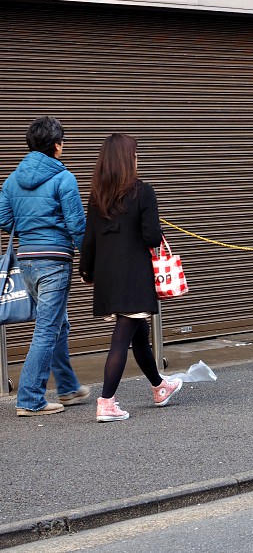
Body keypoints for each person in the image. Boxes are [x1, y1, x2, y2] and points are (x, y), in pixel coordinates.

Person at [79, 134, 182, 422]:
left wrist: (86, 270)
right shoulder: (143, 192)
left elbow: (90, 239)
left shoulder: (98, 196)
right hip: (134, 277)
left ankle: (160, 387)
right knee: (123, 335)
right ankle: (106, 401)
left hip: (109, 277)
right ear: (128, 159)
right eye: (135, 154)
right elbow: (151, 236)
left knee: (139, 335)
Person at [0, 117, 89, 416]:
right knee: (48, 328)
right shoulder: (64, 178)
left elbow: (3, 219)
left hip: (27, 261)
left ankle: (67, 387)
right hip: (54, 260)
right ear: (56, 145)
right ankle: (30, 399)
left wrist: (29, 228)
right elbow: (77, 224)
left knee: (57, 324)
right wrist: (89, 256)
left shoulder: (12, 180)